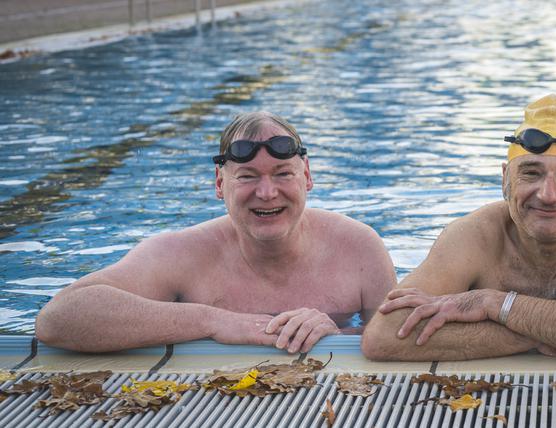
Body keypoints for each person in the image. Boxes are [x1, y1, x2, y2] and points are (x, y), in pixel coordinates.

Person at [35, 111, 395, 354]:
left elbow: (395, 342)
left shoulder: (359, 248)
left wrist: (337, 336)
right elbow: (59, 317)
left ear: (307, 176)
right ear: (220, 183)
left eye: (283, 173)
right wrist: (214, 321)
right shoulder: (180, 254)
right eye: (247, 176)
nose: (266, 192)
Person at [361, 94, 556, 362]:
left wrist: (494, 304)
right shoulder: (473, 236)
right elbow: (383, 336)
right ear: (505, 180)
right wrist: (553, 333)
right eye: (531, 173)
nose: (548, 195)